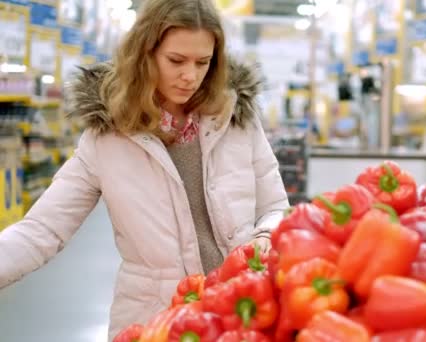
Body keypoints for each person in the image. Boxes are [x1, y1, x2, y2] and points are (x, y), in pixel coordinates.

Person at [0, 0, 289, 339]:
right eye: (176, 61)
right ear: (144, 54)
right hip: (154, 321)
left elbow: (274, 207)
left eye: (203, 62)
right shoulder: (108, 136)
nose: (190, 76)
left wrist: (267, 234)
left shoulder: (237, 119)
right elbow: (42, 230)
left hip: (241, 313)